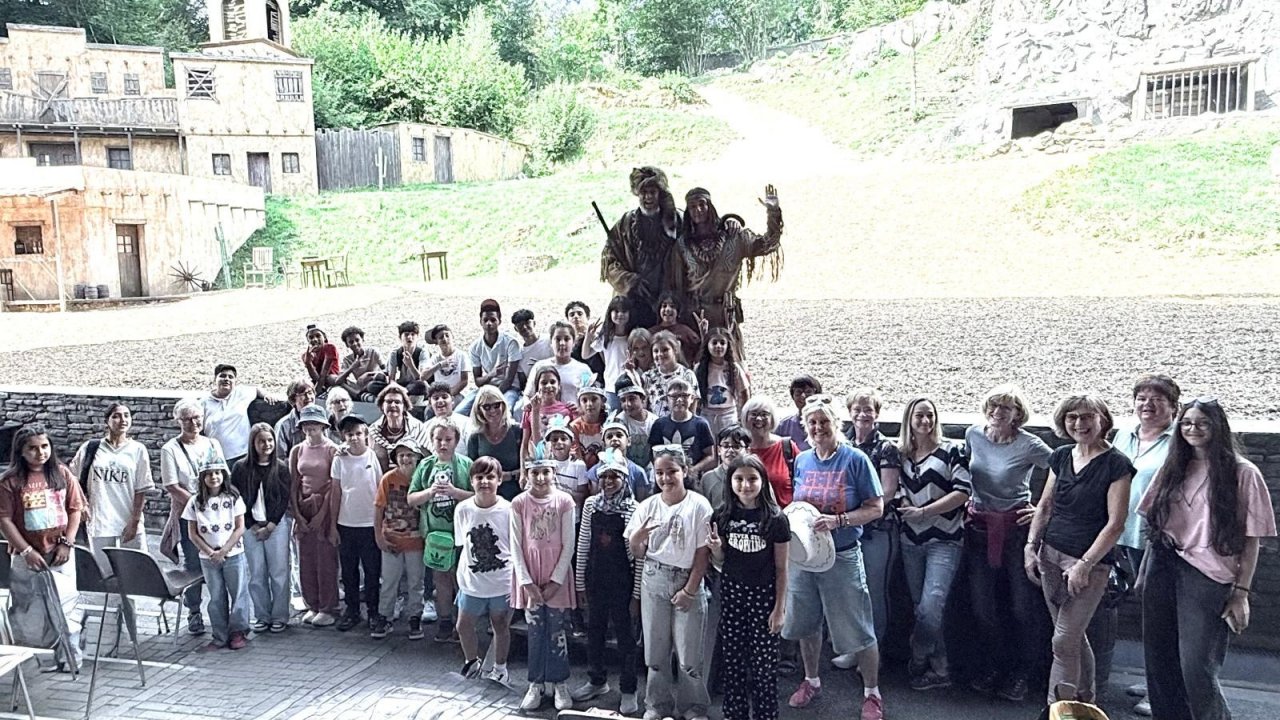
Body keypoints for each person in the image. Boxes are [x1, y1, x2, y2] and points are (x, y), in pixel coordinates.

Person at [1137, 398, 1275, 720]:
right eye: (1186, 423)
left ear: (1217, 427)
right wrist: (1144, 573)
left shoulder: (1243, 473)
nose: (1193, 429)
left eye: (1202, 423)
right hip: (1164, 562)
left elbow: (1252, 540)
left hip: (1210, 574)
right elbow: (1153, 524)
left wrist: (1241, 594)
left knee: (1196, 667)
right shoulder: (1173, 466)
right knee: (1160, 660)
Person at [1025, 395, 1133, 706]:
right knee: (1073, 638)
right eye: (1072, 417)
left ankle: (1056, 709)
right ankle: (1086, 700)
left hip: (1088, 565)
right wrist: (1031, 547)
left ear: (1103, 420)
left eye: (1087, 417)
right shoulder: (1060, 456)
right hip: (1051, 556)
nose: (1079, 423)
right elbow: (1044, 506)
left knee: (1062, 641)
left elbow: (1116, 524)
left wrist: (1085, 564)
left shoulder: (1117, 465)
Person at [783, 395, 885, 720]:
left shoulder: (854, 460)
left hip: (842, 556)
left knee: (858, 627)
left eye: (824, 422)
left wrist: (839, 521)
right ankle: (811, 680)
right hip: (804, 558)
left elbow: (875, 508)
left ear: (835, 424)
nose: (818, 428)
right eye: (812, 423)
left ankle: (872, 692)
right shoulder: (802, 461)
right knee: (805, 623)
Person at [964, 384, 1053, 702]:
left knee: (1020, 607)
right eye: (993, 405)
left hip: (1016, 530)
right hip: (978, 528)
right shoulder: (974, 434)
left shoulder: (1030, 445)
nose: (997, 412)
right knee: (983, 607)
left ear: (1018, 415)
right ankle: (993, 667)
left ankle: (1022, 673)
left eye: (1005, 408)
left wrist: (1042, 509)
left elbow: (1066, 470)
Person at [1104, 373, 1180, 714]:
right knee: (1147, 613)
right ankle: (1154, 680)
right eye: (1142, 399)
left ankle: (1165, 691)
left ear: (1173, 407)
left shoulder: (1180, 440)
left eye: (1158, 400)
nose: (1148, 405)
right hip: (1120, 535)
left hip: (1156, 540)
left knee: (1166, 617)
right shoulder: (1124, 435)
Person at [625, 446, 713, 720]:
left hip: (687, 578)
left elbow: (703, 554)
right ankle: (657, 705)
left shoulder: (699, 505)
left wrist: (689, 590)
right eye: (660, 473)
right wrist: (636, 538)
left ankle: (693, 706)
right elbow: (637, 552)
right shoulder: (647, 506)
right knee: (655, 652)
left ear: (684, 471)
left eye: (672, 471)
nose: (666, 478)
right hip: (654, 578)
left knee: (688, 657)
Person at [896, 397, 970, 690]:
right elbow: (897, 490)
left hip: (944, 539)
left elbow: (963, 491)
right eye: (919, 416)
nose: (925, 421)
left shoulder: (952, 450)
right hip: (910, 541)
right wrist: (905, 505)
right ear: (909, 420)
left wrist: (925, 512)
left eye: (930, 415)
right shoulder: (902, 454)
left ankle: (917, 653)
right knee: (922, 607)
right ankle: (940, 668)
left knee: (930, 607)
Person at [708, 454, 790, 720]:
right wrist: (717, 550)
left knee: (763, 668)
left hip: (764, 598)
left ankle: (766, 715)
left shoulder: (775, 518)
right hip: (732, 595)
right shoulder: (721, 515)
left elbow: (782, 568)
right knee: (733, 664)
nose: (746, 485)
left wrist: (779, 609)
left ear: (762, 481)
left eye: (752, 479)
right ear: (730, 482)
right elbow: (720, 563)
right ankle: (735, 714)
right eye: (739, 479)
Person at [0, 424, 86, 672]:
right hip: (26, 556)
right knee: (29, 610)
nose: (40, 453)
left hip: (59, 553)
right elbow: (5, 519)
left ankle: (71, 658)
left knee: (65, 607)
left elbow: (74, 509)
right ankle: (35, 659)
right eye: (33, 448)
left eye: (45, 446)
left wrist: (67, 543)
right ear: (21, 451)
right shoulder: (10, 481)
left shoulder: (61, 473)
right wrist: (26, 550)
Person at [573, 450, 642, 714]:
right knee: (595, 633)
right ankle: (597, 680)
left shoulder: (633, 509)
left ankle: (628, 688)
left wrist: (636, 594)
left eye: (615, 476)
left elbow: (637, 558)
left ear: (624, 479)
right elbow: (583, 546)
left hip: (623, 583)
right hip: (596, 579)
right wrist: (580, 583)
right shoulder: (591, 505)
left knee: (626, 638)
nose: (609, 481)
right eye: (605, 477)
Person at [678, 185, 783, 355]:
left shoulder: (734, 237)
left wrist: (773, 212)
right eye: (692, 206)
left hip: (726, 315)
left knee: (733, 367)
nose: (698, 210)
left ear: (710, 206)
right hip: (696, 316)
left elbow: (768, 244)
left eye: (702, 204)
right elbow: (675, 283)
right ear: (688, 211)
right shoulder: (683, 245)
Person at [511, 452, 578, 711]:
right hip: (530, 573)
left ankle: (559, 681)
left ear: (553, 473)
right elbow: (516, 545)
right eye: (534, 472)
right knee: (536, 630)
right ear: (527, 475)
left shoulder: (565, 501)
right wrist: (526, 582)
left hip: (556, 576)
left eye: (545, 472)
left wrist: (556, 580)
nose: (540, 478)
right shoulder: (518, 503)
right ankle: (536, 683)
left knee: (557, 630)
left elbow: (569, 543)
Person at [838, 389, 901, 657]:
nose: (863, 414)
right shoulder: (843, 443)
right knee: (848, 590)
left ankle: (874, 650)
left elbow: (887, 491)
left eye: (869, 409)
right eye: (858, 408)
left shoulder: (886, 447)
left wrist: (859, 509)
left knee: (873, 590)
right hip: (849, 529)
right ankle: (853, 646)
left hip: (877, 529)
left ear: (877, 413)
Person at [159, 397, 225, 635]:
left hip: (216, 515)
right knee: (194, 563)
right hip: (189, 515)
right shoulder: (170, 449)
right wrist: (197, 506)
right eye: (187, 419)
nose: (193, 423)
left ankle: (220, 611)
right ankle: (194, 611)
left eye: (196, 417)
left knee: (219, 561)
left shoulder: (212, 444)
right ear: (178, 421)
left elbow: (222, 475)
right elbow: (172, 486)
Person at [409, 416, 474, 643]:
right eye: (439, 439)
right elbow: (411, 498)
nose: (443, 444)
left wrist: (456, 493)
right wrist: (430, 493)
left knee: (462, 580)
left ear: (456, 441)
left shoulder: (466, 464)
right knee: (441, 579)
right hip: (435, 535)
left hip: (461, 535)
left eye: (448, 439)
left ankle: (463, 623)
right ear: (432, 441)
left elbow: (480, 496)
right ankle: (445, 620)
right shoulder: (425, 466)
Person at [70, 402, 154, 570]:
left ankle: (130, 598)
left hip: (127, 518)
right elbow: (72, 478)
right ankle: (108, 597)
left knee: (136, 568)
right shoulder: (90, 447)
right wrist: (82, 505)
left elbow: (141, 488)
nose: (122, 420)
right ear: (106, 421)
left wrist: (135, 521)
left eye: (126, 415)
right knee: (104, 570)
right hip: (100, 518)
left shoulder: (138, 449)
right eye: (116, 416)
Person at [453, 456, 514, 683]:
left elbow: (514, 546)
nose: (485, 482)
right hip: (472, 582)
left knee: (500, 624)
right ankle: (472, 662)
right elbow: (462, 544)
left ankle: (500, 668)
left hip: (501, 581)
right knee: (463, 624)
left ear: (499, 480)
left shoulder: (509, 510)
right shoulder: (463, 509)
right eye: (479, 477)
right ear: (471, 481)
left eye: (490, 477)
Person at [601, 166, 683, 329]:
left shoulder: (677, 221)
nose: (648, 197)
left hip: (667, 304)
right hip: (632, 304)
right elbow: (609, 264)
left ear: (660, 193)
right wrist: (631, 281)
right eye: (643, 192)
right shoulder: (625, 225)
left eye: (652, 192)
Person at [183, 457, 250, 650]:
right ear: (203, 477)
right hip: (208, 557)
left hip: (233, 553)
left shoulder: (233, 498)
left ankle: (238, 632)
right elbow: (192, 533)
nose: (214, 477)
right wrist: (210, 552)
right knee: (216, 595)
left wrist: (225, 550)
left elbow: (239, 528)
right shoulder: (195, 502)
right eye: (209, 474)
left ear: (224, 475)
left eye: (217, 473)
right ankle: (219, 635)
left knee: (238, 592)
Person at [231, 423, 292, 634]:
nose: (266, 445)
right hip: (250, 527)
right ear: (253, 443)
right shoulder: (241, 468)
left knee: (279, 572)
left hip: (276, 526)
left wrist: (272, 524)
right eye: (261, 441)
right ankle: (262, 615)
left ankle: (280, 615)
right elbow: (236, 498)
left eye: (269, 440)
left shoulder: (282, 468)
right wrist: (252, 525)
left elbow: (284, 499)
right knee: (256, 573)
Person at [331, 414, 384, 633]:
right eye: (349, 434)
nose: (354, 438)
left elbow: (381, 491)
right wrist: (333, 525)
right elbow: (335, 492)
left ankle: (373, 611)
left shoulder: (373, 457)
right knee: (349, 572)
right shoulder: (339, 459)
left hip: (370, 525)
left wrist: (381, 524)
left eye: (358, 433)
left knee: (372, 571)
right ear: (343, 436)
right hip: (346, 524)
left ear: (366, 435)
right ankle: (352, 610)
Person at [290, 404, 340, 627]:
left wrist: (322, 514)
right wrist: (298, 515)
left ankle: (328, 606)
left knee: (325, 559)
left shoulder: (332, 449)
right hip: (304, 505)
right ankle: (312, 603)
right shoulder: (297, 450)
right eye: (306, 424)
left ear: (323, 425)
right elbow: (293, 483)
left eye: (315, 424)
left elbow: (333, 485)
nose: (311, 428)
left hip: (325, 506)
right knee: (306, 558)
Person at [372, 438, 427, 640]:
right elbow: (379, 508)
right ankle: (384, 616)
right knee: (389, 581)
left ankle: (415, 617)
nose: (406, 459)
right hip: (392, 540)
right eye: (402, 455)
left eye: (410, 455)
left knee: (415, 581)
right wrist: (378, 535)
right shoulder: (388, 479)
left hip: (416, 541)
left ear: (417, 458)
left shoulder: (423, 479)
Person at [459, 299, 522, 416]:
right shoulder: (475, 347)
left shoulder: (511, 343)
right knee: (460, 412)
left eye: (493, 320)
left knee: (506, 411)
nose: (489, 323)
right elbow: (478, 381)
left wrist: (492, 397)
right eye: (485, 320)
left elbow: (509, 380)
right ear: (480, 322)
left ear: (499, 321)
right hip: (487, 388)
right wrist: (491, 374)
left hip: (510, 389)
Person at [648, 379, 716, 480]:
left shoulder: (700, 424)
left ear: (692, 398)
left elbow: (710, 455)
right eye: (674, 396)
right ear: (667, 399)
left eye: (684, 396)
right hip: (666, 477)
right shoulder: (659, 424)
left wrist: (693, 470)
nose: (679, 400)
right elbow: (652, 453)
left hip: (692, 477)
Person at [201, 363, 267, 467]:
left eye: (230, 377)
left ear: (235, 381)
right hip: (215, 457)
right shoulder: (204, 402)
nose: (226, 379)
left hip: (243, 455)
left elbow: (256, 389)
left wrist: (267, 395)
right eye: (222, 376)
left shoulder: (241, 393)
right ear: (215, 379)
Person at [466, 385, 524, 501]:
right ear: (479, 410)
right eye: (486, 407)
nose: (492, 410)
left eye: (496, 405)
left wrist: (509, 475)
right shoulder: (475, 438)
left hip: (516, 495)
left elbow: (527, 466)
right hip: (487, 496)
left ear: (503, 405)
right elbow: (473, 473)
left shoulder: (517, 431)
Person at [741, 395, 798, 507]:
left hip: (785, 516)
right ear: (745, 418)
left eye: (764, 414)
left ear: (772, 419)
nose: (758, 419)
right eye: (754, 414)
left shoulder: (786, 447)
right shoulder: (740, 449)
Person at [582, 296, 636, 411]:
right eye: (616, 311)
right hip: (611, 387)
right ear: (610, 313)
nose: (620, 314)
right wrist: (588, 336)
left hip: (632, 386)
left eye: (624, 311)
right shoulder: (605, 337)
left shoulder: (633, 336)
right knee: (613, 419)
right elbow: (585, 355)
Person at [524, 321, 594, 406]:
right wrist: (528, 406)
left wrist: (579, 410)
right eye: (557, 339)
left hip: (575, 417)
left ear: (574, 343)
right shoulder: (540, 366)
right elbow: (527, 395)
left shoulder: (583, 369)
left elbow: (591, 399)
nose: (562, 343)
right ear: (551, 342)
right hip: (544, 416)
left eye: (566, 339)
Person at [695, 327, 750, 437]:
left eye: (722, 343)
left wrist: (742, 416)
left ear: (727, 346)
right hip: (707, 414)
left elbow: (744, 392)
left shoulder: (733, 368)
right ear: (707, 345)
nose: (718, 346)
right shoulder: (699, 368)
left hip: (728, 415)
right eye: (714, 343)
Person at [586, 418, 653, 500]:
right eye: (609, 437)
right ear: (604, 444)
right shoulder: (595, 471)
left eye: (619, 435)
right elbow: (594, 499)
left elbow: (641, 502)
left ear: (628, 441)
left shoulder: (638, 472)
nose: (614, 439)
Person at [368, 384, 430, 473]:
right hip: (383, 479)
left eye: (397, 402)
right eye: (389, 402)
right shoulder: (373, 430)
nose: (393, 405)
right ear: (382, 405)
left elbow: (427, 457)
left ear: (404, 406)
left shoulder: (418, 427)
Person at [522, 366, 577, 459]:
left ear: (559, 386)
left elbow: (573, 441)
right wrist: (523, 471)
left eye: (552, 382)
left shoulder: (567, 410)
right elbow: (525, 444)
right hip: (538, 461)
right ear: (537, 387)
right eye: (544, 383)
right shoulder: (529, 410)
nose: (548, 386)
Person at [642, 330, 700, 418]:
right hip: (656, 426)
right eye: (656, 351)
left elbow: (693, 407)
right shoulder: (647, 377)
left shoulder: (687, 375)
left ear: (675, 350)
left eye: (665, 350)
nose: (660, 354)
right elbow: (644, 407)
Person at [543, 418, 589, 515]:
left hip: (571, 517)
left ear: (572, 443)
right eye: (554, 439)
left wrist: (559, 490)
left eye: (563, 439)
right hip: (549, 516)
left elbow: (582, 496)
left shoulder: (579, 465)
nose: (559, 442)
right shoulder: (545, 464)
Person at [615, 376, 658, 471]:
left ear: (643, 399)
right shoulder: (619, 421)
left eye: (632, 399)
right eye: (623, 400)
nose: (628, 404)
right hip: (626, 468)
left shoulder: (654, 421)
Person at [648, 292, 702, 367]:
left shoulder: (686, 331)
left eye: (672, 306)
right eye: (664, 306)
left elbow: (700, 350)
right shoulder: (651, 332)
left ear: (678, 312)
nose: (667, 309)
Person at [335, 325, 387, 402]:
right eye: (351, 342)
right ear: (347, 345)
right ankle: (362, 395)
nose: (355, 344)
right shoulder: (348, 359)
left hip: (375, 382)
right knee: (339, 384)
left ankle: (361, 396)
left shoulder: (373, 351)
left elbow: (386, 370)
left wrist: (369, 374)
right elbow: (338, 381)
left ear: (362, 339)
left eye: (357, 340)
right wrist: (352, 367)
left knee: (372, 385)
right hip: (361, 386)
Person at [424, 324, 472, 404]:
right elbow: (423, 376)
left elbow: (464, 380)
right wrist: (439, 365)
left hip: (457, 394)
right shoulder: (435, 358)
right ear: (436, 341)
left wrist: (449, 395)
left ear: (452, 337)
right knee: (429, 411)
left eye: (447, 335)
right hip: (439, 396)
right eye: (441, 337)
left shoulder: (461, 355)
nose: (445, 339)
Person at [513, 308, 553, 399]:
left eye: (527, 323)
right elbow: (523, 384)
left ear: (534, 323)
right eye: (520, 325)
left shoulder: (549, 341)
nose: (524, 327)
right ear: (516, 328)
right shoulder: (520, 355)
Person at [775, 375, 821, 452]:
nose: (803, 396)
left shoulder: (826, 424)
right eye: (798, 392)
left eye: (808, 392)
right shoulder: (783, 426)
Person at [274, 378, 317, 459]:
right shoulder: (283, 425)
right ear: (293, 400)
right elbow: (280, 458)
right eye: (302, 394)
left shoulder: (323, 419)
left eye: (310, 393)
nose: (308, 397)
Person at [386, 320, 431, 398]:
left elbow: (421, 378)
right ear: (400, 337)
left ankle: (402, 395)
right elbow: (391, 379)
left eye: (413, 334)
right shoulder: (395, 353)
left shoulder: (422, 352)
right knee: (374, 385)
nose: (409, 337)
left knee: (421, 385)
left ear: (417, 337)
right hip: (400, 384)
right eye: (406, 335)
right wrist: (398, 387)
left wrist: (410, 365)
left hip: (415, 384)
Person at [566, 301, 606, 386]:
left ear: (587, 317)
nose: (576, 317)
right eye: (572, 315)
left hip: (599, 383)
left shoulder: (597, 338)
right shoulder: (566, 342)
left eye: (580, 313)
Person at [426, 382, 474, 452]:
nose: (440, 400)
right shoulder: (425, 427)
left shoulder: (467, 423)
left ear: (452, 400)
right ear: (430, 402)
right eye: (436, 398)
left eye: (444, 397)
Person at [572, 386, 608, 469]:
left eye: (594, 399)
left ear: (602, 402)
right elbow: (577, 457)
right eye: (584, 400)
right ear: (579, 404)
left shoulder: (608, 423)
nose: (589, 404)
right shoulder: (574, 427)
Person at [302, 324, 341, 397]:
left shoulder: (329, 347)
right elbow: (316, 377)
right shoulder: (306, 355)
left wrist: (316, 392)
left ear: (324, 337)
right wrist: (308, 363)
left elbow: (324, 373)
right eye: (311, 337)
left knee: (330, 378)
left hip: (333, 379)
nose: (315, 339)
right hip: (319, 382)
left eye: (318, 336)